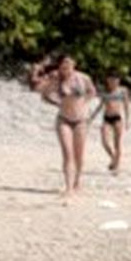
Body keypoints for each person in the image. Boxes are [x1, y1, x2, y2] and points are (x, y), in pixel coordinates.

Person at [40, 53, 97, 197]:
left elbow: (92, 92)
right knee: (67, 153)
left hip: (81, 120)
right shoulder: (56, 79)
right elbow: (45, 95)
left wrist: (84, 103)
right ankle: (68, 187)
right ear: (60, 65)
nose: (66, 66)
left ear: (74, 65)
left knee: (79, 154)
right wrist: (57, 102)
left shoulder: (83, 78)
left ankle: (77, 182)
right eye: (64, 63)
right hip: (63, 119)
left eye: (69, 63)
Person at [94, 73, 131, 172]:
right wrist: (92, 117)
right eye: (111, 80)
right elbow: (101, 105)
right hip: (106, 118)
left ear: (118, 80)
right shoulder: (106, 92)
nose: (113, 82)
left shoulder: (123, 91)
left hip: (117, 118)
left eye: (115, 80)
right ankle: (113, 157)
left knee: (117, 143)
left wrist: (128, 120)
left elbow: (126, 106)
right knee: (105, 141)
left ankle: (116, 165)